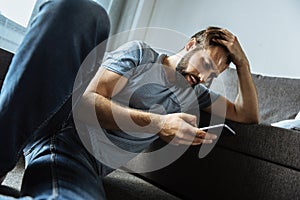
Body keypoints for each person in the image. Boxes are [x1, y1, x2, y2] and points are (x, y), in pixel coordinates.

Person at [0, 1, 259, 200]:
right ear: (191, 45)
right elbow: (87, 104)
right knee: (85, 12)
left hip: (78, 158)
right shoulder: (141, 54)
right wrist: (159, 123)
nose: (204, 77)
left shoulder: (194, 92)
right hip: (62, 120)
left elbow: (247, 115)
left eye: (213, 74)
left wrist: (243, 64)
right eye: (204, 64)